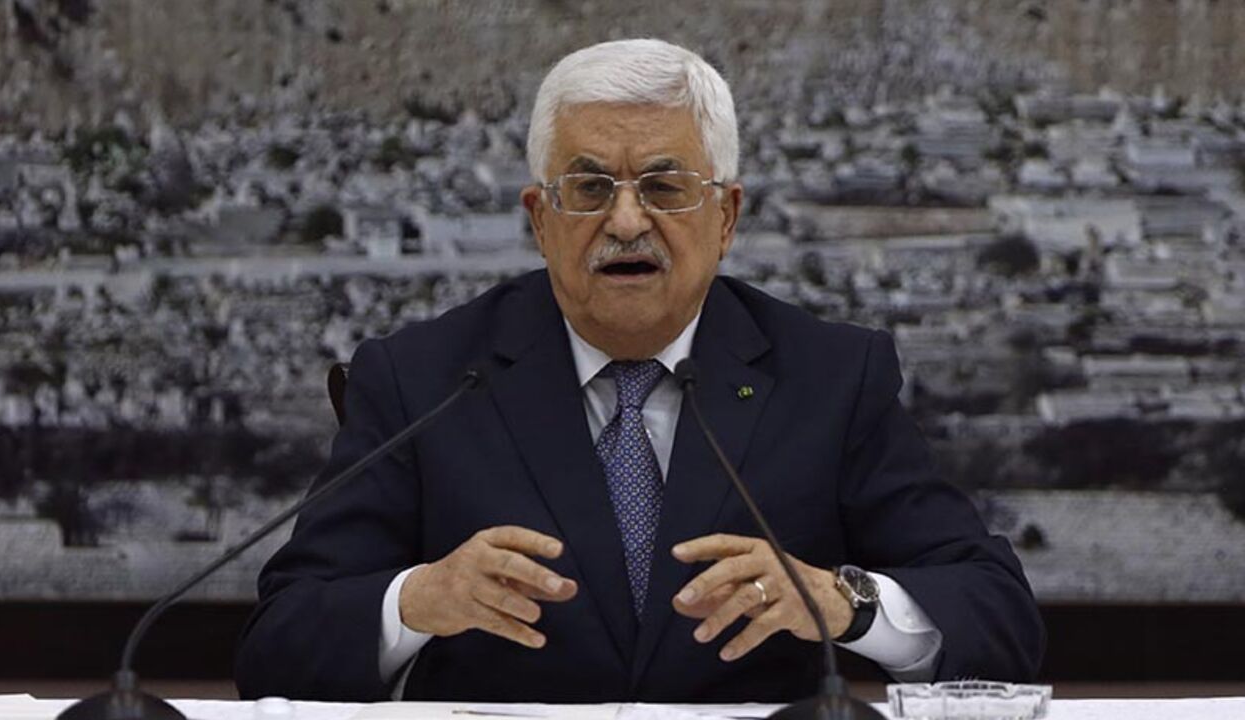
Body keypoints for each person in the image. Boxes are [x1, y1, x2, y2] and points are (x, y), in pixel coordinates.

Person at [235, 39, 1044, 703]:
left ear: (725, 217)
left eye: (664, 185)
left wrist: (844, 603)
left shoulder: (831, 375)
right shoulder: (423, 378)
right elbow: (278, 645)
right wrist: (416, 602)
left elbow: (1001, 623)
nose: (626, 221)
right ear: (541, 219)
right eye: (589, 188)